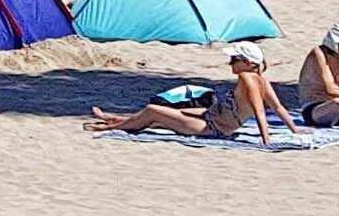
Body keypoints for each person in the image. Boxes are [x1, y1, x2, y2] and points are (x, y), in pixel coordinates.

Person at [88, 43, 293, 143]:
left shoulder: (247, 78)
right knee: (162, 117)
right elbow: (278, 107)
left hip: (213, 126)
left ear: (248, 63)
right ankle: (113, 119)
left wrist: (266, 138)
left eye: (234, 60)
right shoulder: (264, 81)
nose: (230, 63)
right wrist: (294, 130)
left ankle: (110, 125)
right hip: (213, 117)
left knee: (153, 111)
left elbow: (259, 109)